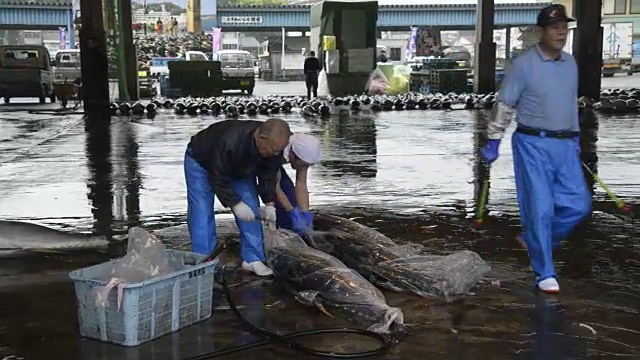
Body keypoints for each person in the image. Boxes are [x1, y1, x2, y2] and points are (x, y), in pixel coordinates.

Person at [480, 4, 591, 294]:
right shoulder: (523, 65)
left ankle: (534, 240)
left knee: (579, 206)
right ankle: (544, 271)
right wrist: (494, 140)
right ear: (541, 31)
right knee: (539, 208)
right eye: (555, 28)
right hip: (532, 144)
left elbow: (569, 103)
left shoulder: (570, 64)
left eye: (564, 27)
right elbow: (504, 105)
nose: (561, 32)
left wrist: (576, 136)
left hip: (565, 144)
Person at [184, 118, 291, 276]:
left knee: (251, 205)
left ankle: (252, 258)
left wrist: (269, 203)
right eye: (274, 150)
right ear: (262, 138)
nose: (276, 154)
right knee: (201, 210)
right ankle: (204, 262)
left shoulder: (273, 146)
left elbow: (268, 174)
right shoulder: (229, 140)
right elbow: (217, 177)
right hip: (202, 162)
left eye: (278, 151)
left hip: (240, 167)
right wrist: (235, 204)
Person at [274, 133, 321, 235]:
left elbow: (301, 184)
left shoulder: (300, 156)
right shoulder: (275, 151)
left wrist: (305, 213)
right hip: (248, 162)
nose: (304, 168)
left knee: (291, 197)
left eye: (307, 166)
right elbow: (274, 187)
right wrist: (292, 212)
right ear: (293, 154)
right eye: (303, 165)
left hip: (274, 168)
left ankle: (287, 234)